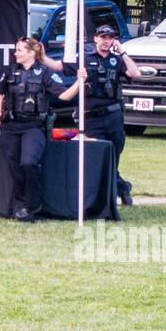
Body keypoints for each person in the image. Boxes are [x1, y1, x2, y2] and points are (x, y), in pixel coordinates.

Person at [0, 37, 87, 222]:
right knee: (14, 166)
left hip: (33, 127)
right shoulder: (9, 71)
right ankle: (20, 205)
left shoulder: (44, 73)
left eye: (20, 50)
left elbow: (64, 96)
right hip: (10, 126)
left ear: (31, 53)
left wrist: (79, 82)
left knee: (29, 163)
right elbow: (0, 96)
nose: (16, 53)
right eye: (16, 49)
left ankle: (33, 203)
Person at [63, 24, 141, 205]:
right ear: (95, 38)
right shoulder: (84, 58)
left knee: (113, 156)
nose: (106, 41)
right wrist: (41, 57)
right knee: (98, 157)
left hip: (113, 116)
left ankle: (118, 189)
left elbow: (136, 73)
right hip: (91, 117)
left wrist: (123, 52)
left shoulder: (117, 60)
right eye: (103, 37)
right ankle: (121, 187)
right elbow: (60, 66)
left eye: (110, 38)